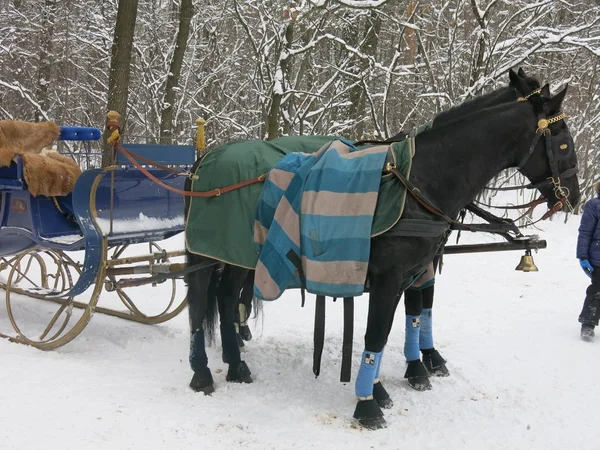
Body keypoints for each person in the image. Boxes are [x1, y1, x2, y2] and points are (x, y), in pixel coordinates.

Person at [577, 181, 600, 341]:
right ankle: (588, 324)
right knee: (597, 290)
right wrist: (583, 256)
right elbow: (585, 232)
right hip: (598, 256)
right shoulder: (594, 205)